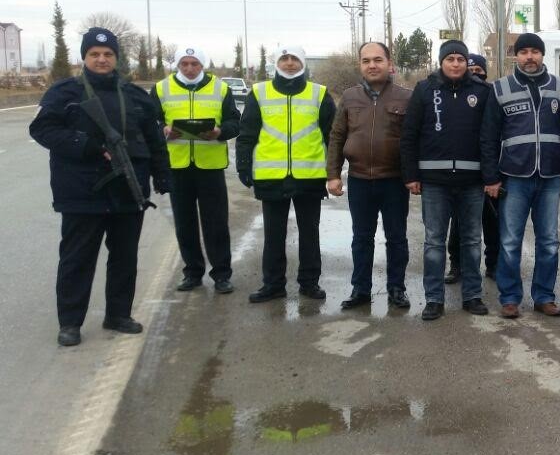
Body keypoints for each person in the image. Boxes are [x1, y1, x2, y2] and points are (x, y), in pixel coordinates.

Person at [30, 28, 171, 346]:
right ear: (85, 57)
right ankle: (70, 322)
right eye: (94, 54)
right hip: (81, 194)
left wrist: (163, 176)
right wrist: (86, 145)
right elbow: (42, 129)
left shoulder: (135, 96)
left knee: (124, 258)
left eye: (108, 54)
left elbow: (153, 140)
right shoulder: (64, 92)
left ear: (116, 58)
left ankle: (118, 314)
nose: (102, 59)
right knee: (77, 259)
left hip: (128, 192)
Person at [480, 32, 560, 319]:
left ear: (542, 55)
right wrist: (491, 177)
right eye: (523, 52)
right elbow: (488, 136)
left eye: (534, 52)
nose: (529, 57)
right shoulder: (500, 88)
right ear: (516, 56)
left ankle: (544, 297)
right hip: (513, 176)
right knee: (510, 241)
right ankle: (510, 298)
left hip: (549, 177)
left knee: (548, 241)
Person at [236, 47, 336, 304]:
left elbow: (332, 136)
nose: (289, 64)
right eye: (284, 59)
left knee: (309, 232)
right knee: (274, 234)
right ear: (277, 63)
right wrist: (244, 166)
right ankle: (273, 284)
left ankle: (309, 283)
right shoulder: (259, 93)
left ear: (302, 63)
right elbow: (247, 133)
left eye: (294, 59)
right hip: (272, 175)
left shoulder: (320, 94)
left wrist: (333, 170)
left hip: (309, 175)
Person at [402, 40, 492, 320]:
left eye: (460, 59)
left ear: (467, 63)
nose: (455, 63)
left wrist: (491, 177)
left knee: (471, 241)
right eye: (450, 58)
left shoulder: (482, 92)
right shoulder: (424, 90)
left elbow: (489, 138)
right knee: (434, 242)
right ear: (441, 62)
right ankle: (433, 299)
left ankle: (472, 296)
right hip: (434, 183)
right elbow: (409, 136)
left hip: (472, 183)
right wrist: (411, 175)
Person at [325, 41, 412, 311]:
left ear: (389, 64)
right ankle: (360, 289)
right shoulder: (349, 98)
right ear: (360, 65)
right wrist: (333, 174)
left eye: (378, 60)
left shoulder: (406, 97)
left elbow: (413, 140)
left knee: (397, 238)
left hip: (394, 181)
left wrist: (414, 176)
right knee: (361, 238)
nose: (372, 65)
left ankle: (397, 288)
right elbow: (337, 136)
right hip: (360, 180)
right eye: (366, 61)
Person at [151, 46, 240, 294]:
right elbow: (149, 122)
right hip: (178, 165)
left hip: (209, 166)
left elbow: (234, 122)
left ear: (202, 65)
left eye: (195, 64)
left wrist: (220, 132)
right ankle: (192, 273)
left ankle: (221, 274)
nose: (189, 69)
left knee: (216, 223)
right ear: (178, 65)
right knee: (184, 223)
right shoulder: (161, 89)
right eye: (184, 64)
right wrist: (164, 131)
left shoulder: (221, 88)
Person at [444, 53, 500, 281]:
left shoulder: (492, 95)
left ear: (485, 73)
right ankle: (456, 265)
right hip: (466, 174)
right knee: (458, 224)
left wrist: (494, 174)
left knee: (493, 222)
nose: (475, 75)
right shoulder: (458, 97)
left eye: (479, 71)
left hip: (491, 171)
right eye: (471, 71)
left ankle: (493, 265)